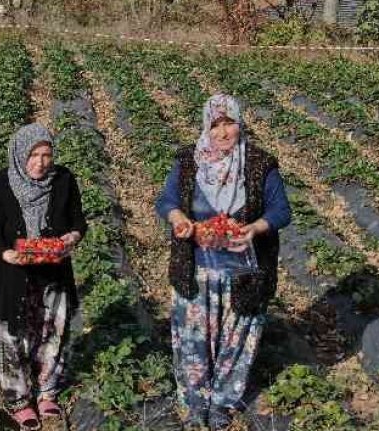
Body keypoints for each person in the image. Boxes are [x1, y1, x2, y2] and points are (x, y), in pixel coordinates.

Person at [155, 94, 291, 430]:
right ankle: (195, 400)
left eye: (228, 123)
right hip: (196, 267)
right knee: (193, 337)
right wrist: (178, 220)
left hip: (243, 269)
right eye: (215, 125)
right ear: (206, 126)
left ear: (240, 123)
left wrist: (255, 228)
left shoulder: (259, 164)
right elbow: (167, 200)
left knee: (237, 338)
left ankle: (223, 402)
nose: (222, 131)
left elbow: (281, 211)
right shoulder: (188, 161)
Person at [0, 123, 87, 430]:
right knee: (11, 336)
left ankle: (47, 393)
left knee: (53, 331)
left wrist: (71, 238)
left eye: (46, 154)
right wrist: (6, 253)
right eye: (33, 155)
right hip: (13, 275)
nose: (40, 162)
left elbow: (79, 221)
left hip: (54, 270)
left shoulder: (64, 180)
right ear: (19, 155)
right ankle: (18, 400)